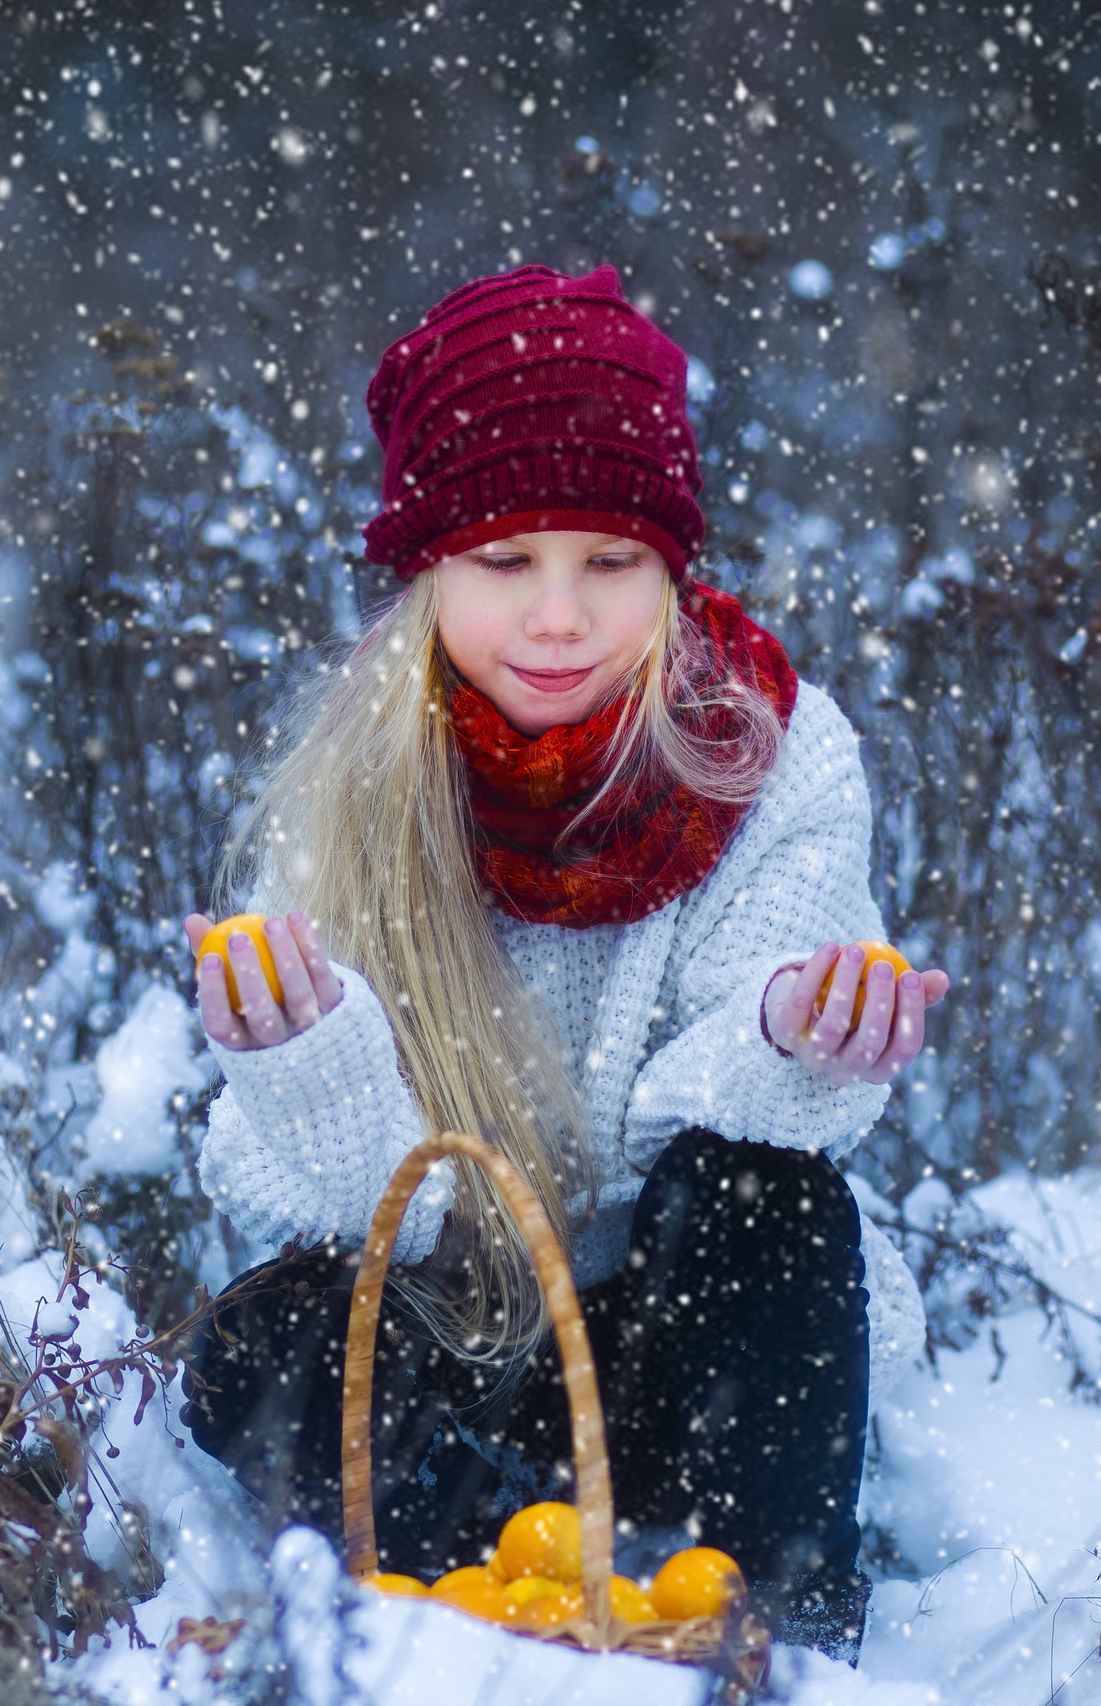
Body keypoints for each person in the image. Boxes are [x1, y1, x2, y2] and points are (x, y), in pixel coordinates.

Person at [176, 261, 948, 1663]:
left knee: (773, 1200)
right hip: (457, 1348)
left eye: (611, 563)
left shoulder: (774, 761)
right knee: (270, 1336)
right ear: (427, 572)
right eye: (504, 562)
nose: (557, 619)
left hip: (685, 1354)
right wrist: (315, 1067)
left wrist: (781, 1047)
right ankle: (446, 1631)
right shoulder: (357, 789)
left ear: (674, 567)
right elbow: (298, 1194)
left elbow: (766, 1162)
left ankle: (766, 1624)